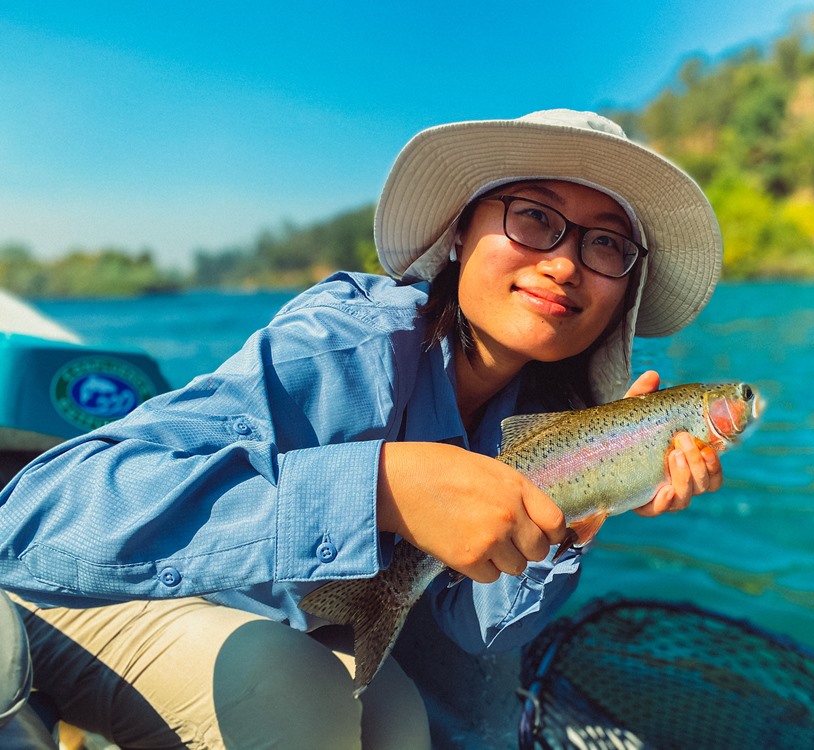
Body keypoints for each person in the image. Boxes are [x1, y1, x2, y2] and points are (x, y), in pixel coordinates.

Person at [0, 108, 724, 749]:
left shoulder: (544, 424)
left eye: (606, 246)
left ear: (622, 289)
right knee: (295, 699)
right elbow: (32, 520)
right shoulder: (339, 343)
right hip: (92, 599)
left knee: (400, 720)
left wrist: (568, 528)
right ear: (460, 235)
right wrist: (375, 488)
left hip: (292, 630)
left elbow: (473, 629)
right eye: (534, 216)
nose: (566, 261)